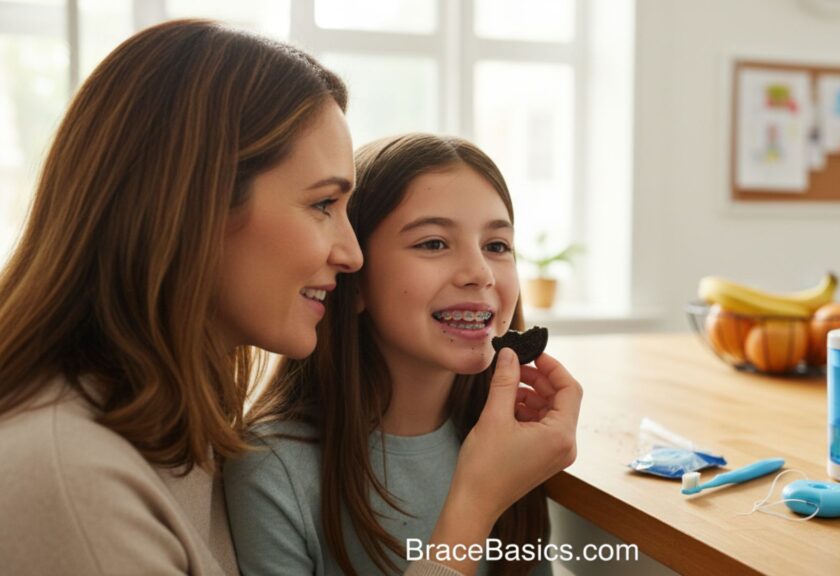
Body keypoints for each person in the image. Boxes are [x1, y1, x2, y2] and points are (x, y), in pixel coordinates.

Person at [0, 21, 580, 576]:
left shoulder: (180, 425)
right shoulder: (68, 480)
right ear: (195, 209)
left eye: (498, 243)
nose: (352, 256)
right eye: (323, 204)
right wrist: (473, 506)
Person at [225, 133, 581, 576]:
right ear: (353, 274)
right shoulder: (271, 473)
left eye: (496, 246)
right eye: (433, 243)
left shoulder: (514, 442)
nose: (479, 273)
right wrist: (476, 503)